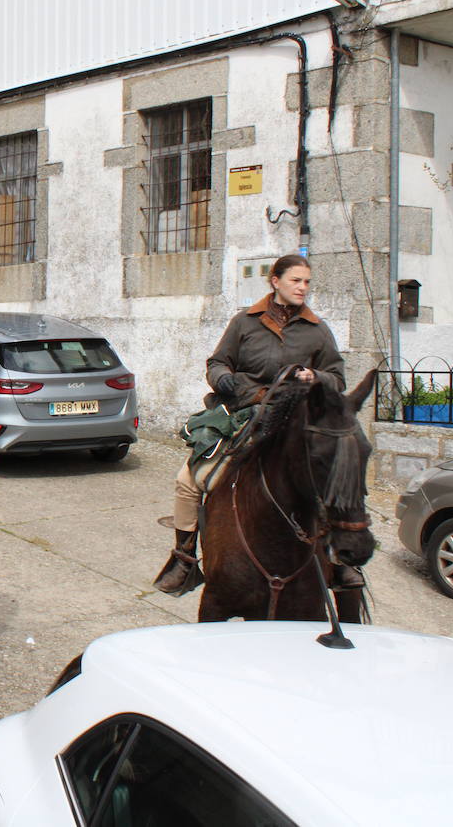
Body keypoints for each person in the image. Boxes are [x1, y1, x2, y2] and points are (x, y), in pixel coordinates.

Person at [152, 253, 362, 595]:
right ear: (275, 281)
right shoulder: (244, 322)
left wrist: (316, 376)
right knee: (188, 480)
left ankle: (340, 562)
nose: (303, 288)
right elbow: (218, 362)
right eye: (296, 280)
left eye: (307, 282)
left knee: (334, 477)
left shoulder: (317, 329)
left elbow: (338, 378)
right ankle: (185, 558)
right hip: (244, 413)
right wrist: (225, 381)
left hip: (297, 420)